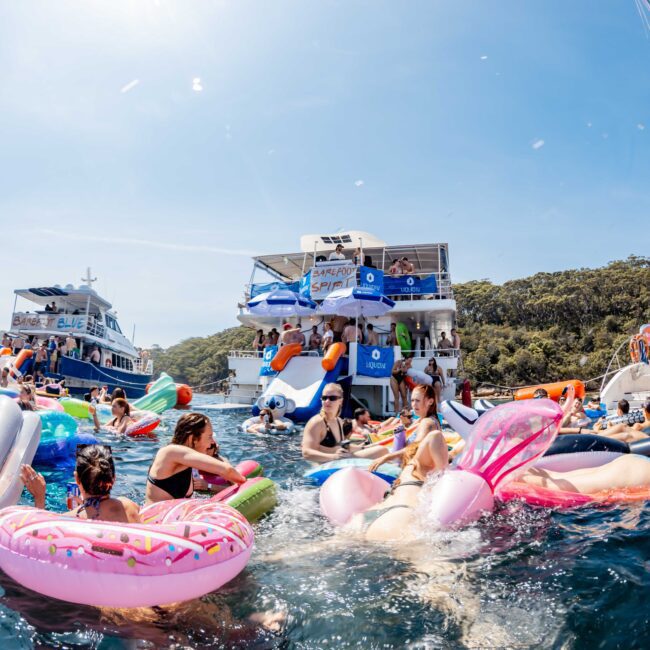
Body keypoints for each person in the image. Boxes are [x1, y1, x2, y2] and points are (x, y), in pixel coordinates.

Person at [20, 444, 140, 523]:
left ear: (77, 479)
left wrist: (39, 497)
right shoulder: (129, 506)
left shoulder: (68, 519)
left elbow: (39, 535)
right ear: (113, 479)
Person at [146, 413, 246, 504]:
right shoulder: (171, 452)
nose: (212, 442)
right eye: (209, 436)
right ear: (192, 438)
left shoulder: (186, 460)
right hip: (156, 520)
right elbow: (226, 470)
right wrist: (246, 484)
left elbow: (225, 468)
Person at [301, 383, 389, 463]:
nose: (327, 401)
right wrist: (334, 457)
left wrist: (364, 447)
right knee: (381, 451)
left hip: (340, 461)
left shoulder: (339, 421)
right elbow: (306, 452)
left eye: (332, 398)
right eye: (324, 398)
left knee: (382, 450)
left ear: (340, 401)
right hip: (325, 466)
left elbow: (342, 447)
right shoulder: (317, 422)